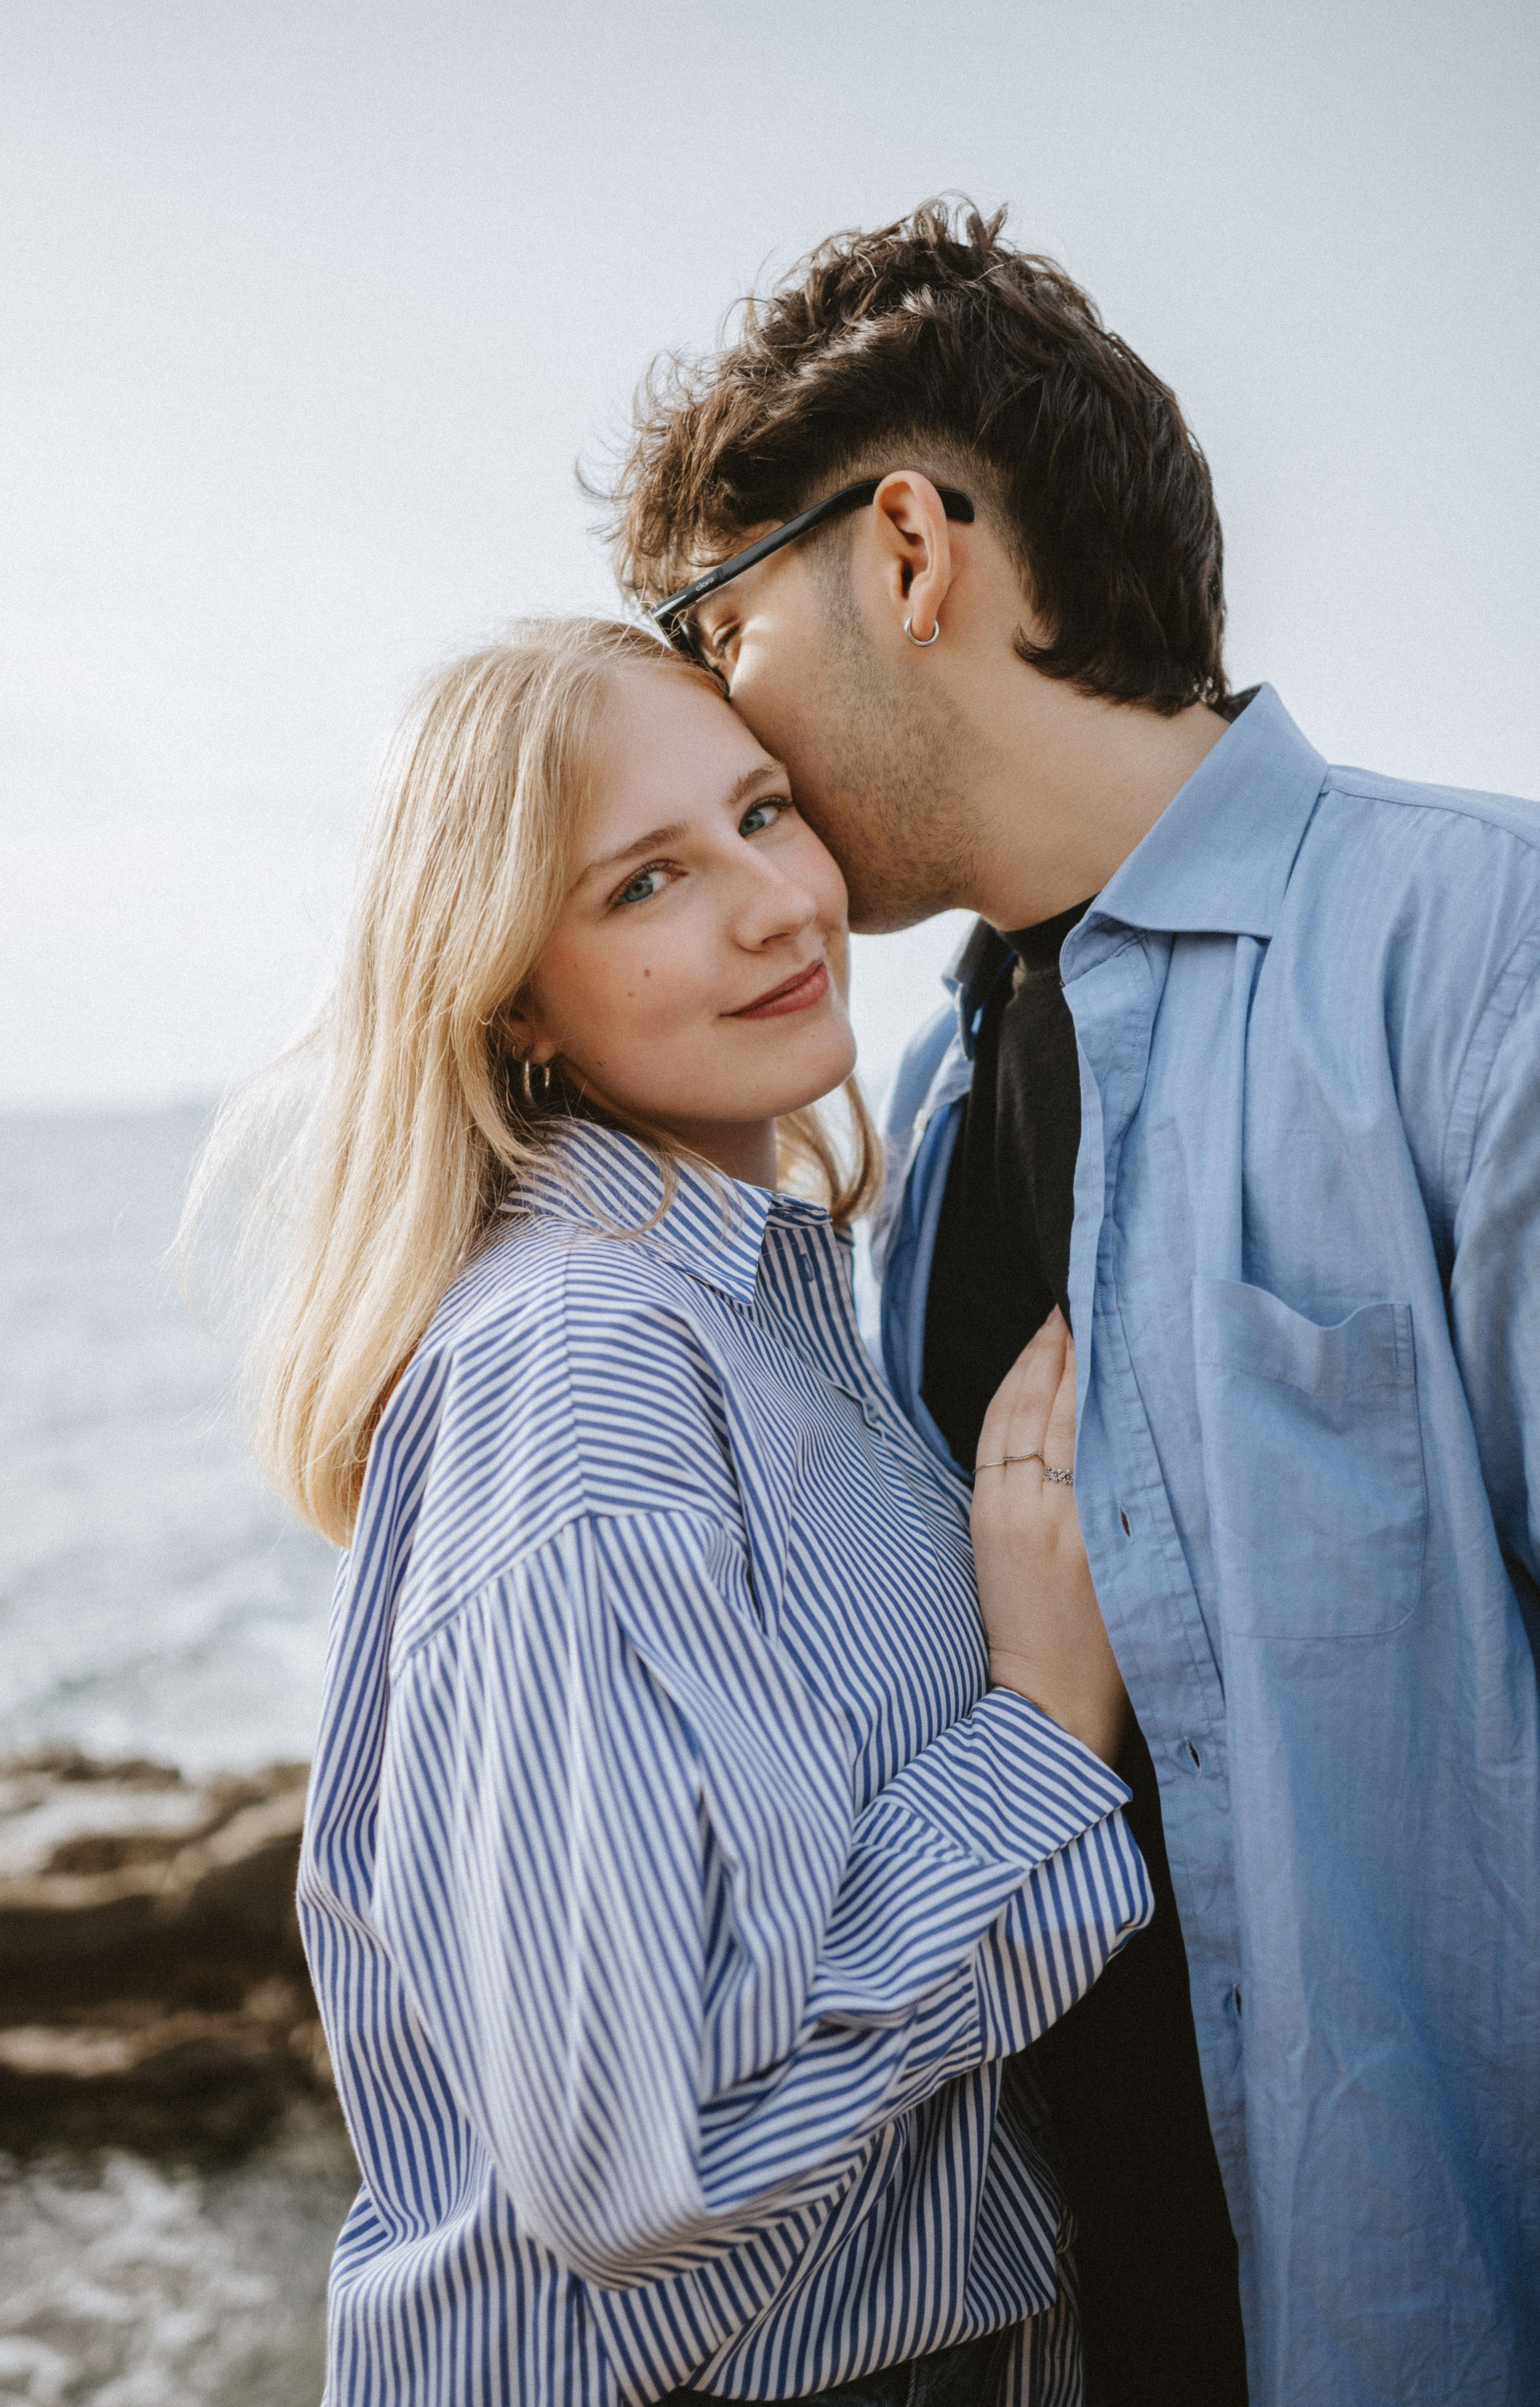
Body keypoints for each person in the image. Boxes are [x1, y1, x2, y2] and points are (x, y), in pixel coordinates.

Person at [608, 201, 1540, 2406]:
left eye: (712, 624)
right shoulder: (940, 1096)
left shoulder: (1522, 965)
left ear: (903, 549)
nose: (701, 717)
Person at [201, 616, 1153, 2406]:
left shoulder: (760, 1308)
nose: (779, 903)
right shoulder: (583, 1370)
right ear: (507, 997)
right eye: (647, 881)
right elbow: (654, 2167)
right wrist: (1041, 1723)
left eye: (766, 812)